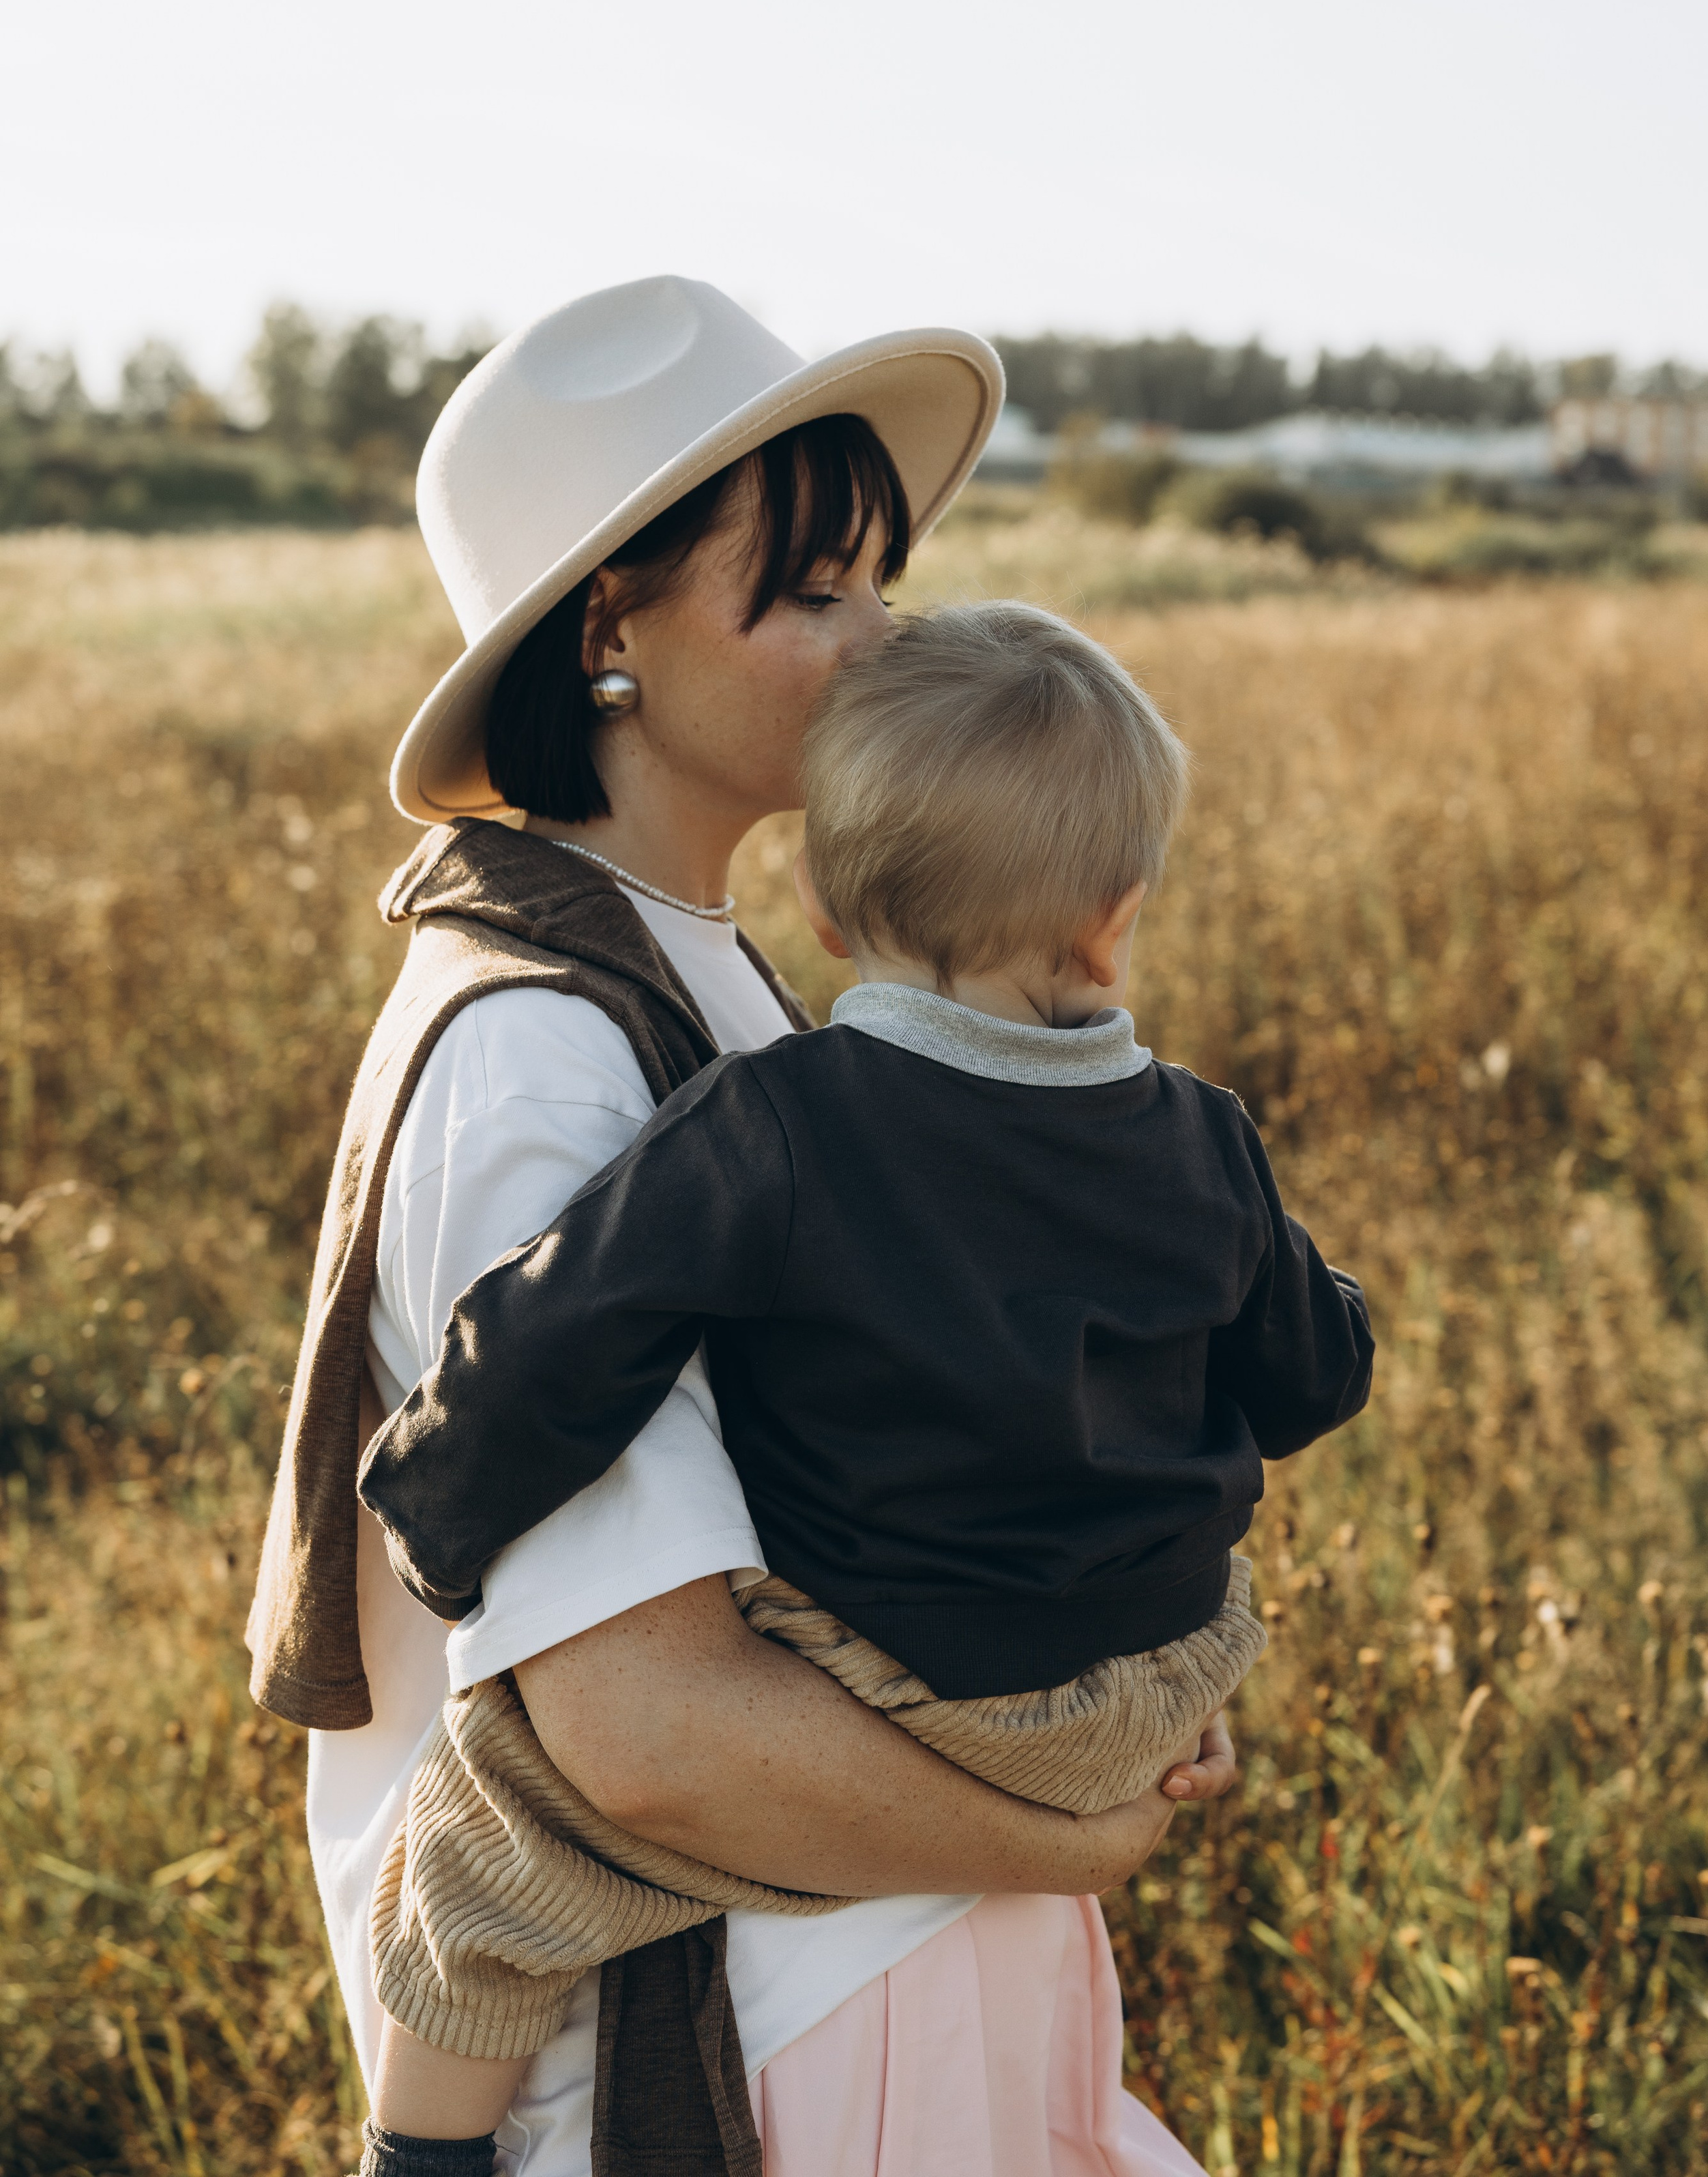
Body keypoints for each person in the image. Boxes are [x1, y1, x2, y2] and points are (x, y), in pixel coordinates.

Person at [245, 277, 1238, 2177]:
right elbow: (647, 1733)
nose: (886, 642)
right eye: (811, 594)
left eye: (880, 580)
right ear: (608, 630)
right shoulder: (541, 1056)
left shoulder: (710, 980)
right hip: (769, 2036)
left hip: (884, 1961)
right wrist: (1078, 1824)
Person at [358, 601, 1374, 2155]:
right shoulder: (1202, 1138)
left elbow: (566, 1339)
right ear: (1114, 915)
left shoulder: (769, 1123)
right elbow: (1311, 1380)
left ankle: (415, 2151)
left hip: (924, 1691)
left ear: (827, 911)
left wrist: (430, 1501)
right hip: (1161, 1683)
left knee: (483, 1844)